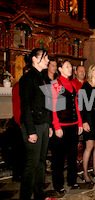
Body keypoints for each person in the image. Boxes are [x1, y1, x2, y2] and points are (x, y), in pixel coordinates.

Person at [19, 48, 52, 200]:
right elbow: (25, 107)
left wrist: (50, 125)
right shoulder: (27, 78)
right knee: (31, 165)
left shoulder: (44, 77)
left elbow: (48, 103)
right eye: (45, 57)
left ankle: (39, 194)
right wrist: (31, 131)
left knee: (41, 162)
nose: (48, 60)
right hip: (33, 126)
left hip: (44, 124)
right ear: (34, 59)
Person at [51, 60, 83, 194]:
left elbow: (76, 105)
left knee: (72, 155)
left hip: (73, 125)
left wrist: (80, 123)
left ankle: (72, 180)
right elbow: (52, 108)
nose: (71, 69)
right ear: (60, 69)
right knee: (58, 158)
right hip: (61, 127)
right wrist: (56, 126)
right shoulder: (55, 84)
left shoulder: (72, 85)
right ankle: (58, 184)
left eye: (71, 66)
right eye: (67, 66)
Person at [11, 66, 30, 182]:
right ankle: (18, 174)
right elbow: (17, 107)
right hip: (20, 122)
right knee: (20, 151)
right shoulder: (18, 86)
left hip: (28, 122)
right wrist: (21, 123)